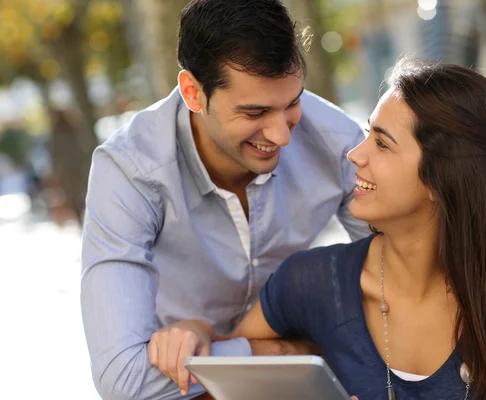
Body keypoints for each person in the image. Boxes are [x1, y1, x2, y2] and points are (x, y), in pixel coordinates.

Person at [152, 59, 486, 400]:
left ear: (443, 181)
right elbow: (226, 383)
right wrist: (199, 331)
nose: (355, 154)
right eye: (367, 132)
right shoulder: (310, 283)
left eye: (382, 143)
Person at [80, 0, 370, 399]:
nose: (282, 136)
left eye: (292, 103)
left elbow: (405, 281)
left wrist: (222, 345)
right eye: (255, 113)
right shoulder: (130, 170)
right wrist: (291, 351)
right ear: (193, 93)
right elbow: (124, 380)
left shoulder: (338, 142)